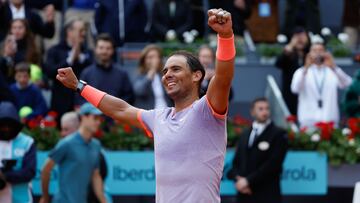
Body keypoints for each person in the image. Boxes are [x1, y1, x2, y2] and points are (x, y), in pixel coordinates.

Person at [56, 8, 235, 202]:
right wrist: (78, 86)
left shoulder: (206, 110)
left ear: (196, 76)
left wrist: (225, 36)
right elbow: (120, 109)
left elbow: (224, 77)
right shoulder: (159, 118)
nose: (167, 75)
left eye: (176, 69)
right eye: (165, 71)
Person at [40, 103, 106, 203]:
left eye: (99, 119)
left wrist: (104, 201)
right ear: (83, 117)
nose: (98, 122)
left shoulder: (96, 145)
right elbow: (46, 169)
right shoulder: (67, 143)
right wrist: (45, 197)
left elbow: (95, 175)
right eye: (95, 118)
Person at [227, 98, 288, 203]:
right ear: (252, 112)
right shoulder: (245, 134)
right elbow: (237, 162)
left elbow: (273, 164)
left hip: (267, 195)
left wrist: (247, 181)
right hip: (244, 194)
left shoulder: (278, 134)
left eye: (267, 109)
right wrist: (239, 181)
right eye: (260, 109)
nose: (265, 112)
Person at [291, 43, 353, 128]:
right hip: (308, 120)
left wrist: (334, 67)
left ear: (326, 53)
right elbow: (295, 89)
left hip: (330, 119)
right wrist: (305, 68)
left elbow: (348, 84)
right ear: (309, 54)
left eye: (321, 50)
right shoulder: (301, 72)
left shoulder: (332, 71)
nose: (318, 53)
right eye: (314, 51)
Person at [59, 110, 112, 203]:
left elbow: (99, 177)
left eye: (66, 129)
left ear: (77, 128)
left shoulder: (95, 150)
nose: (62, 133)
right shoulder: (65, 147)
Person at [45, 18, 93, 122]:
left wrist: (80, 58)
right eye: (80, 30)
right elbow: (49, 72)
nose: (83, 34)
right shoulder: (54, 50)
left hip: (82, 103)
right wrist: (70, 60)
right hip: (60, 103)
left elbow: (92, 74)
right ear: (69, 32)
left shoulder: (89, 53)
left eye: (84, 30)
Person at [76, 33, 134, 106]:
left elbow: (129, 96)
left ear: (113, 50)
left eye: (108, 48)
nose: (104, 51)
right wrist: (90, 109)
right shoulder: (85, 73)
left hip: (115, 114)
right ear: (95, 49)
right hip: (91, 115)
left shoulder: (122, 74)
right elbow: (78, 94)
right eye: (101, 48)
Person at [0, 101, 37, 203]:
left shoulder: (27, 142)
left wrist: (5, 176)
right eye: (2, 125)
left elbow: (29, 172)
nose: (6, 129)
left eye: (9, 125)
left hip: (22, 199)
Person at [275, 27, 311, 115]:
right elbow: (278, 64)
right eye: (297, 38)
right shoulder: (289, 54)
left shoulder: (310, 54)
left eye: (303, 37)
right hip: (290, 93)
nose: (300, 40)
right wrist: (291, 45)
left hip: (309, 92)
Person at [133, 44, 172, 109]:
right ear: (144, 60)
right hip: (149, 115)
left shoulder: (165, 75)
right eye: (150, 57)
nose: (154, 60)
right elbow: (139, 91)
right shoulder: (139, 76)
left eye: (157, 57)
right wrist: (152, 71)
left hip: (167, 114)